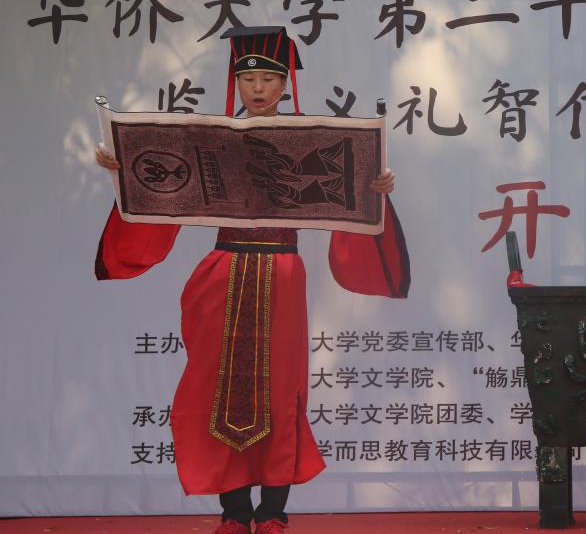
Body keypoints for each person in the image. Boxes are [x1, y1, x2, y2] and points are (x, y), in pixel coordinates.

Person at [94, 26, 410, 534]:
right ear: (235, 84)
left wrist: (377, 186)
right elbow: (162, 184)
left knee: (281, 390)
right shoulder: (210, 139)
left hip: (282, 272)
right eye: (248, 79)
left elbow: (350, 199)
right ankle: (235, 513)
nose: (258, 88)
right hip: (223, 271)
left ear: (285, 84)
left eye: (268, 78)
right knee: (216, 388)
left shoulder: (312, 139)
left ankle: (273, 512)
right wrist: (123, 167)